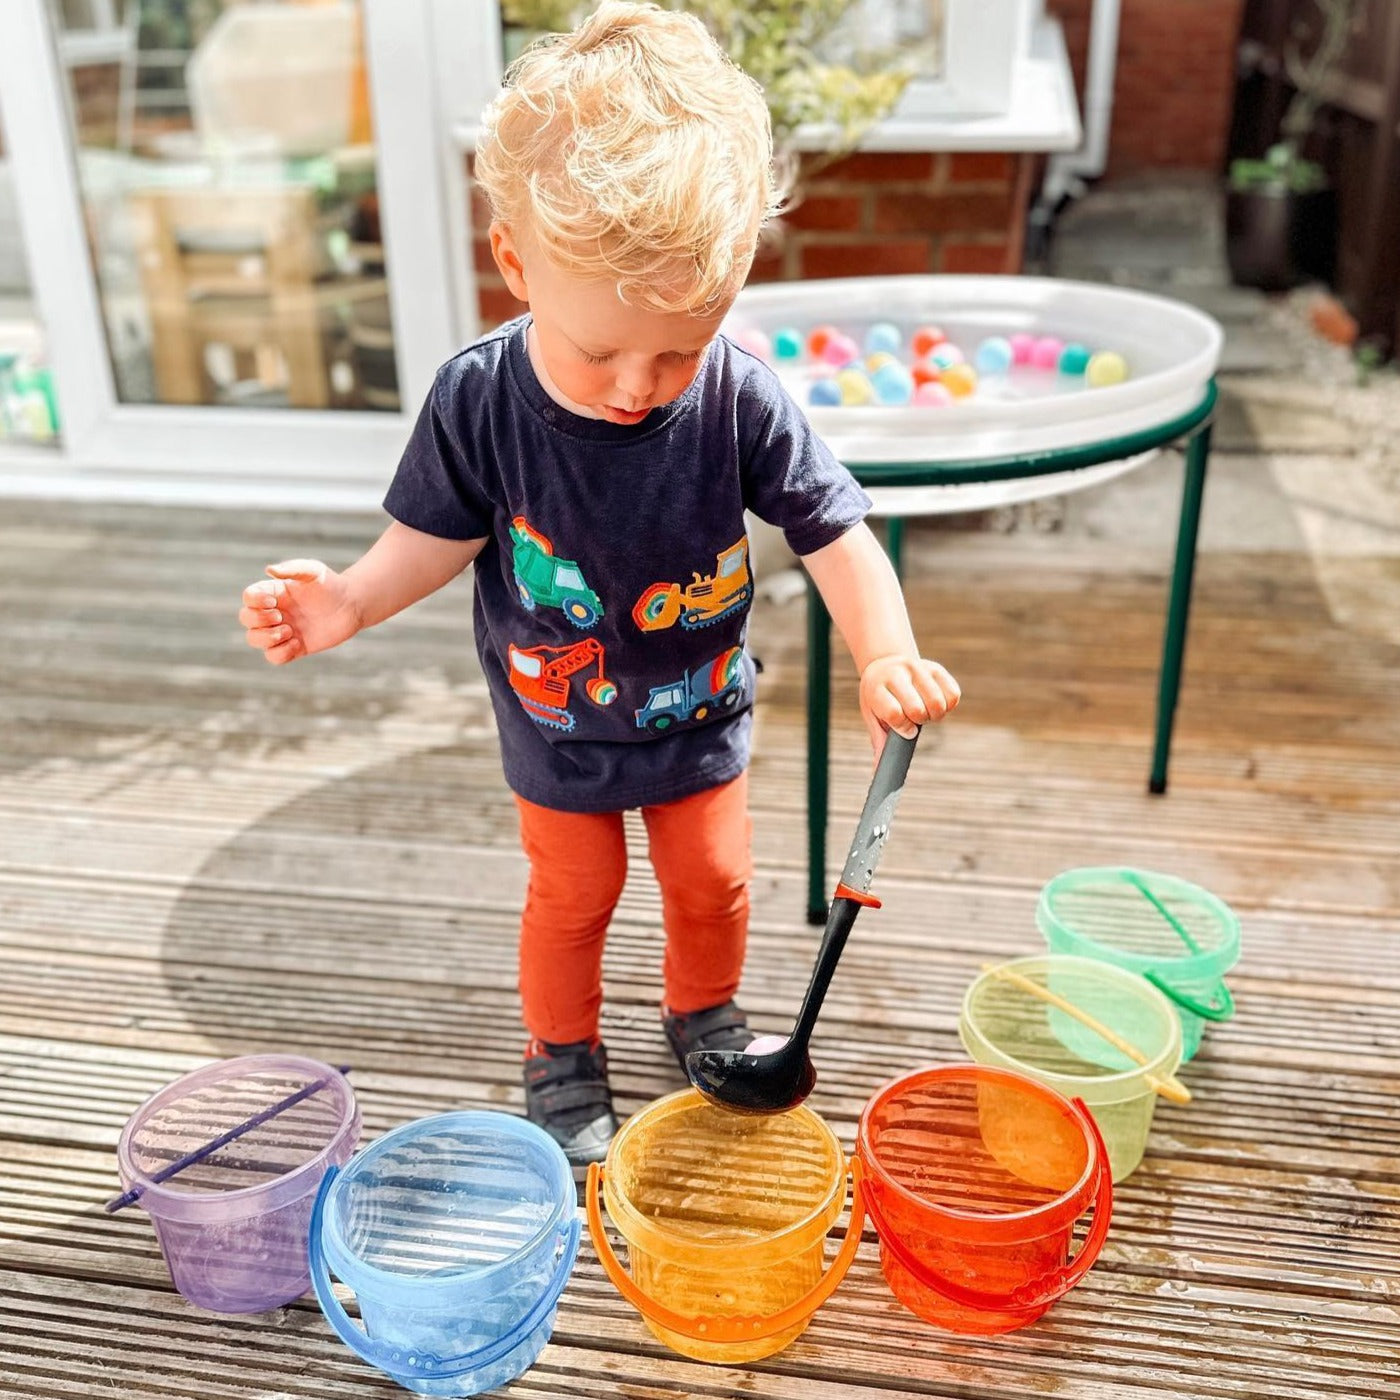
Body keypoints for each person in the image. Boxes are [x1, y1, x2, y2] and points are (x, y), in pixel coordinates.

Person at [237, 0, 959, 1173]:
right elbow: (433, 533)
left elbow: (834, 531)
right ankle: (559, 1048)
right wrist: (350, 600)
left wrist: (882, 649)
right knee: (574, 895)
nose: (638, 384)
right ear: (515, 262)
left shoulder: (737, 395)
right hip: (558, 720)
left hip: (697, 709)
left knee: (714, 882)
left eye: (676, 348)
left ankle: (704, 1015)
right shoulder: (477, 399)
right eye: (600, 351)